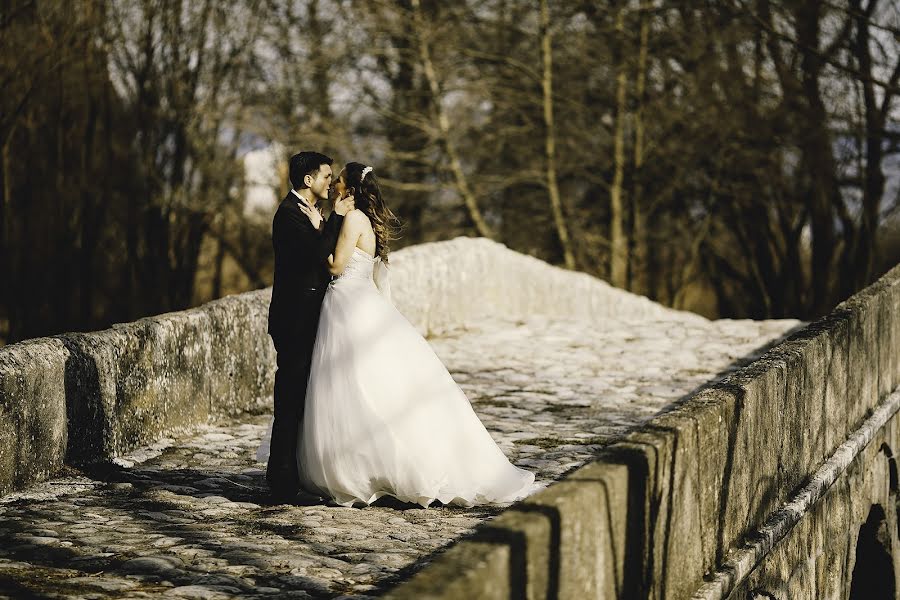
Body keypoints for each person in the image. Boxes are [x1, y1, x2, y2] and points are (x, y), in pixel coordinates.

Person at [291, 162, 538, 507]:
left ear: (350, 189)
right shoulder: (368, 221)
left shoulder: (354, 219)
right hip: (364, 300)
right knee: (370, 384)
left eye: (340, 182)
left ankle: (366, 467)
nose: (334, 186)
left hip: (348, 302)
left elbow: (335, 266)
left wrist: (321, 230)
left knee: (351, 383)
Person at [264, 151, 354, 501]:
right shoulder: (288, 215)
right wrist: (336, 219)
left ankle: (289, 473)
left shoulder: (308, 212)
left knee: (301, 398)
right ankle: (283, 483)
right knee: (289, 400)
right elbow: (317, 256)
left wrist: (326, 219)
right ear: (308, 181)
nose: (330, 183)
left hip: (309, 316)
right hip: (294, 319)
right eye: (326, 177)